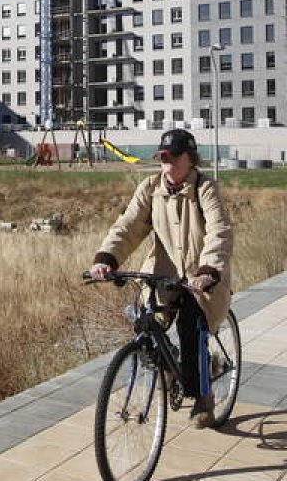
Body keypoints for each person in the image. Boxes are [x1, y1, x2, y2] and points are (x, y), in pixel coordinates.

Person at [88, 128, 234, 428]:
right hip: (162, 276)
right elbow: (128, 226)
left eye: (172, 158)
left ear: (189, 159)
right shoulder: (150, 188)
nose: (166, 164)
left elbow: (219, 231)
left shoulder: (205, 189)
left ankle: (202, 395)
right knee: (145, 326)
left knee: (191, 326)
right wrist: (106, 258)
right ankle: (168, 367)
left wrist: (208, 270)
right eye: (162, 158)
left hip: (200, 279)